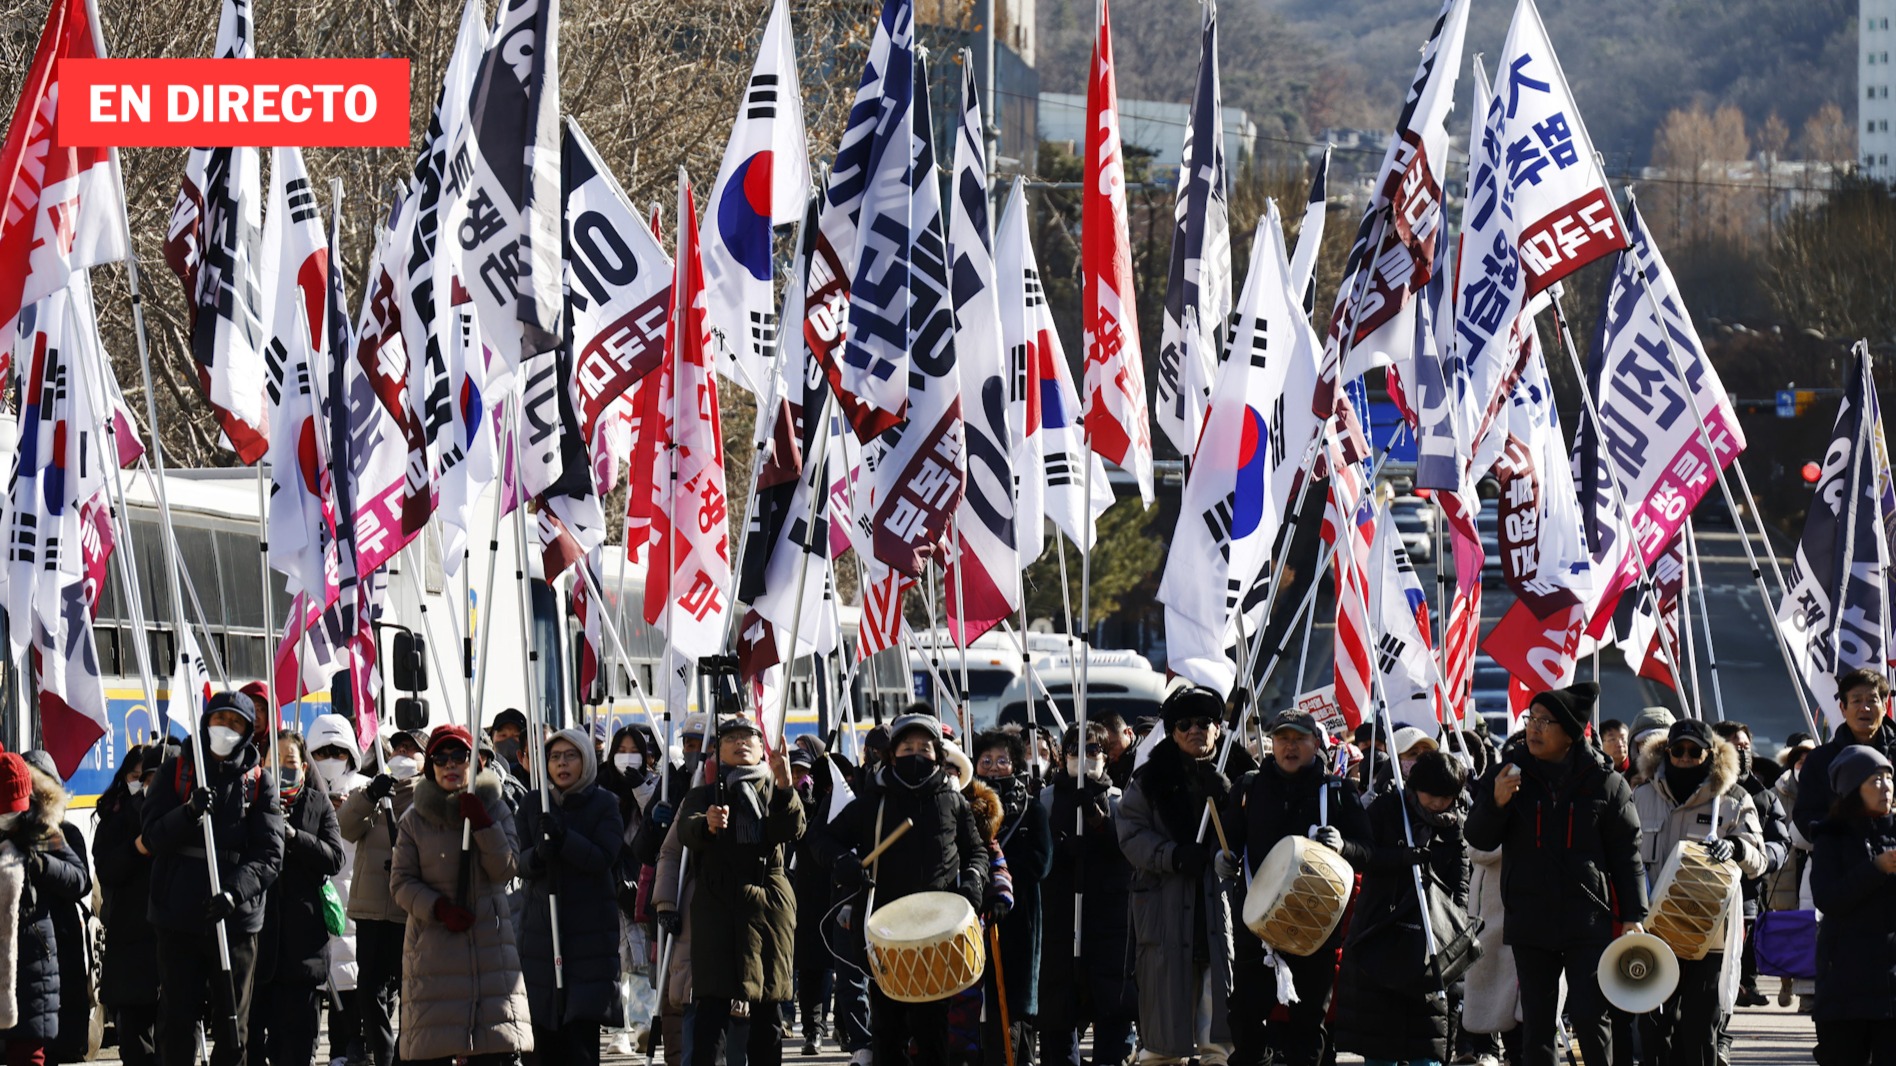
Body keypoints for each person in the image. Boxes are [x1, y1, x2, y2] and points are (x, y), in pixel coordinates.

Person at [1464, 681, 1647, 1066]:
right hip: (1530, 920)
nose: (1534, 728)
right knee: (1537, 1025)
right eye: (1532, 719)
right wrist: (1496, 803)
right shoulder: (1509, 774)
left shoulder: (1605, 783)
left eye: (1546, 722)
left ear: (1570, 733)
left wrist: (1633, 917)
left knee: (1589, 1017)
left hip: (1588, 920)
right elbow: (1477, 836)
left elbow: (1626, 855)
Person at [832, 713, 989, 1066]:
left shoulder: (952, 800)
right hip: (885, 935)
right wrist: (844, 863)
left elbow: (976, 850)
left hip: (938, 936)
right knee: (888, 1035)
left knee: (933, 1035)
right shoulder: (874, 800)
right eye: (907, 747)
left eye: (925, 748)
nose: (916, 754)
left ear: (938, 754)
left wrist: (972, 885)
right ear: (892, 754)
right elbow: (821, 839)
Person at [141, 690, 286, 1066]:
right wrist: (187, 813)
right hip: (178, 916)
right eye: (219, 720)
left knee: (232, 1027)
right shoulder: (176, 769)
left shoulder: (259, 781)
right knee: (176, 1022)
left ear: (247, 732)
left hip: (234, 921)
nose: (226, 728)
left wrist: (234, 893)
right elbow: (152, 835)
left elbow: (270, 854)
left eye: (235, 723)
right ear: (206, 723)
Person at [1222, 706, 1373, 1066]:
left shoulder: (1336, 793)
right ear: (1271, 743)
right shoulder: (1249, 787)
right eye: (1282, 738)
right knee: (1244, 1017)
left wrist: (1344, 846)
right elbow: (1226, 841)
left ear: (1316, 743)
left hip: (1314, 929)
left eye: (1299, 739)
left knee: (1308, 1027)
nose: (1290, 746)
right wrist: (1221, 859)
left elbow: (1367, 851)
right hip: (1256, 927)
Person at [389, 725, 531, 1065]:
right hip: (434, 951)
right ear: (430, 766)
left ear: (475, 763)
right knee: (434, 1047)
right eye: (441, 758)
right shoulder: (414, 820)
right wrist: (437, 907)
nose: (450, 765)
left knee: (492, 1046)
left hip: (488, 949)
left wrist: (483, 825)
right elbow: (400, 882)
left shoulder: (495, 809)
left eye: (459, 757)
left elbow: (506, 869)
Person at [1628, 718, 1765, 1066]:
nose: (1686, 758)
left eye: (1695, 751)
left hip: (1709, 935)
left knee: (1701, 1026)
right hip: (1655, 931)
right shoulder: (1641, 796)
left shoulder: (1733, 799)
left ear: (1710, 754)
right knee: (1653, 1028)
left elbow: (1760, 859)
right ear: (1666, 752)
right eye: (1679, 750)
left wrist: (1736, 848)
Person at [1118, 686, 1240, 1066]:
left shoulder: (1239, 777)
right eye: (1184, 723)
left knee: (1218, 1034)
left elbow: (1252, 838)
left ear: (1218, 729)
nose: (1195, 730)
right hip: (1165, 915)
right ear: (1171, 731)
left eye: (1205, 722)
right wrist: (1172, 856)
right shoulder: (1148, 781)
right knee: (1162, 1037)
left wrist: (1232, 814)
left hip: (1217, 917)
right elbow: (1130, 834)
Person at [678, 716, 804, 1066]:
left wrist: (784, 785)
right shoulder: (704, 794)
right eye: (730, 737)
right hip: (718, 909)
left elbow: (792, 828)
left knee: (767, 1014)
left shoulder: (773, 788)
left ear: (763, 747)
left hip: (767, 908)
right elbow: (685, 832)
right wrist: (707, 824)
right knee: (712, 1014)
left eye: (748, 736)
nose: (740, 742)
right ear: (717, 751)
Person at [1334, 750, 1472, 1066]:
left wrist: (1452, 928)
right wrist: (1401, 858)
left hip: (1427, 941)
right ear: (1414, 785)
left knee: (1427, 1041)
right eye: (1431, 794)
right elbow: (1362, 855)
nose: (1438, 803)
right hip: (1380, 932)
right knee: (1380, 1042)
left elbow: (1460, 883)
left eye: (1446, 797)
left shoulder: (1454, 827)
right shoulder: (1386, 809)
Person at [517, 726, 628, 1065]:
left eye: (570, 756)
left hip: (587, 938)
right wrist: (539, 854)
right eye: (554, 757)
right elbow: (518, 861)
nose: (561, 764)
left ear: (587, 760)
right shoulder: (533, 803)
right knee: (542, 1040)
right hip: (541, 937)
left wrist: (565, 839)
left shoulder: (605, 803)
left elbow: (602, 858)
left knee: (579, 1042)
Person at [1037, 723, 1135, 1066]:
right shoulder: (1046, 799)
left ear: (1105, 757)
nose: (1085, 757)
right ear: (1064, 757)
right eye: (1077, 750)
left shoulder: (1119, 800)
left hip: (1109, 924)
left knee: (1112, 1010)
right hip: (1061, 923)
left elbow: (1130, 852)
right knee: (1059, 1012)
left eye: (1093, 750)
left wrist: (1100, 826)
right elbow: (1037, 856)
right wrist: (1060, 849)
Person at [250, 730, 347, 1066]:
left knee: (296, 1048)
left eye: (290, 763)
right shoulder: (250, 803)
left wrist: (294, 837)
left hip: (304, 950)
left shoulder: (317, 804)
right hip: (259, 948)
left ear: (304, 768)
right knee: (255, 1046)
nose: (283, 770)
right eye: (274, 763)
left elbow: (335, 857)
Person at [0, 750, 90, 1066]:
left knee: (31, 1050)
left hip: (36, 957)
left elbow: (80, 878)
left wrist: (38, 864)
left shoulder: (45, 831)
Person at [337, 728, 420, 1066]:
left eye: (412, 749)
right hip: (371, 909)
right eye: (397, 747)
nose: (402, 753)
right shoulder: (370, 791)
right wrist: (369, 795)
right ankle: (383, 1053)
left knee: (408, 986)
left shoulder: (427, 795)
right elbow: (345, 826)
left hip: (407, 909)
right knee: (369, 986)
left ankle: (405, 1051)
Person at [1808, 745, 1896, 1062]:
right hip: (1845, 985)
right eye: (1874, 779)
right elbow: (1829, 899)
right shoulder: (1831, 837)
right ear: (1852, 790)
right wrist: (1876, 869)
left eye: (1889, 777)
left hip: (1891, 986)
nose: (1885, 786)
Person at [969, 730, 1051, 1066]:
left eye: (1002, 760)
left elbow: (1040, 863)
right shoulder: (963, 805)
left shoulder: (1032, 808)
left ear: (1015, 763)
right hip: (974, 911)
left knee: (1013, 1002)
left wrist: (1001, 874)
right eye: (986, 760)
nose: (993, 767)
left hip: (1019, 916)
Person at [94, 743, 168, 1066]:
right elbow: (106, 868)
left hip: (170, 933)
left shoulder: (178, 813)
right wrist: (137, 848)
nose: (140, 782)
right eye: (134, 776)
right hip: (130, 935)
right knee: (134, 1037)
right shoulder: (115, 815)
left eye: (148, 776)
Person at [1712, 720, 1791, 1011]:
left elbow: (1781, 844)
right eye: (1735, 745)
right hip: (1703, 894)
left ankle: (1721, 1036)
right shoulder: (1703, 791)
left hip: (1746, 897)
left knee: (1730, 973)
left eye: (1746, 746)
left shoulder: (1764, 797)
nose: (1742, 752)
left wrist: (1756, 859)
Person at [305, 713, 370, 1066]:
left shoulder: (366, 789)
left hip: (356, 906)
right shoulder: (298, 792)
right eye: (322, 751)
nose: (330, 758)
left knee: (352, 988)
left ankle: (346, 1051)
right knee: (309, 992)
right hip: (312, 906)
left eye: (338, 750)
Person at [1796, 668, 1896, 840]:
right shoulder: (1820, 760)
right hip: (1839, 858)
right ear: (1843, 707)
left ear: (1885, 705)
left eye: (1872, 700)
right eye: (1856, 701)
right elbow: (1806, 815)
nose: (1864, 708)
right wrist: (1842, 838)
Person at [1097, 713, 1136, 789]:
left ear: (1129, 733)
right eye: (1104, 749)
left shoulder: (1145, 758)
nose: (1109, 755)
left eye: (1112, 746)